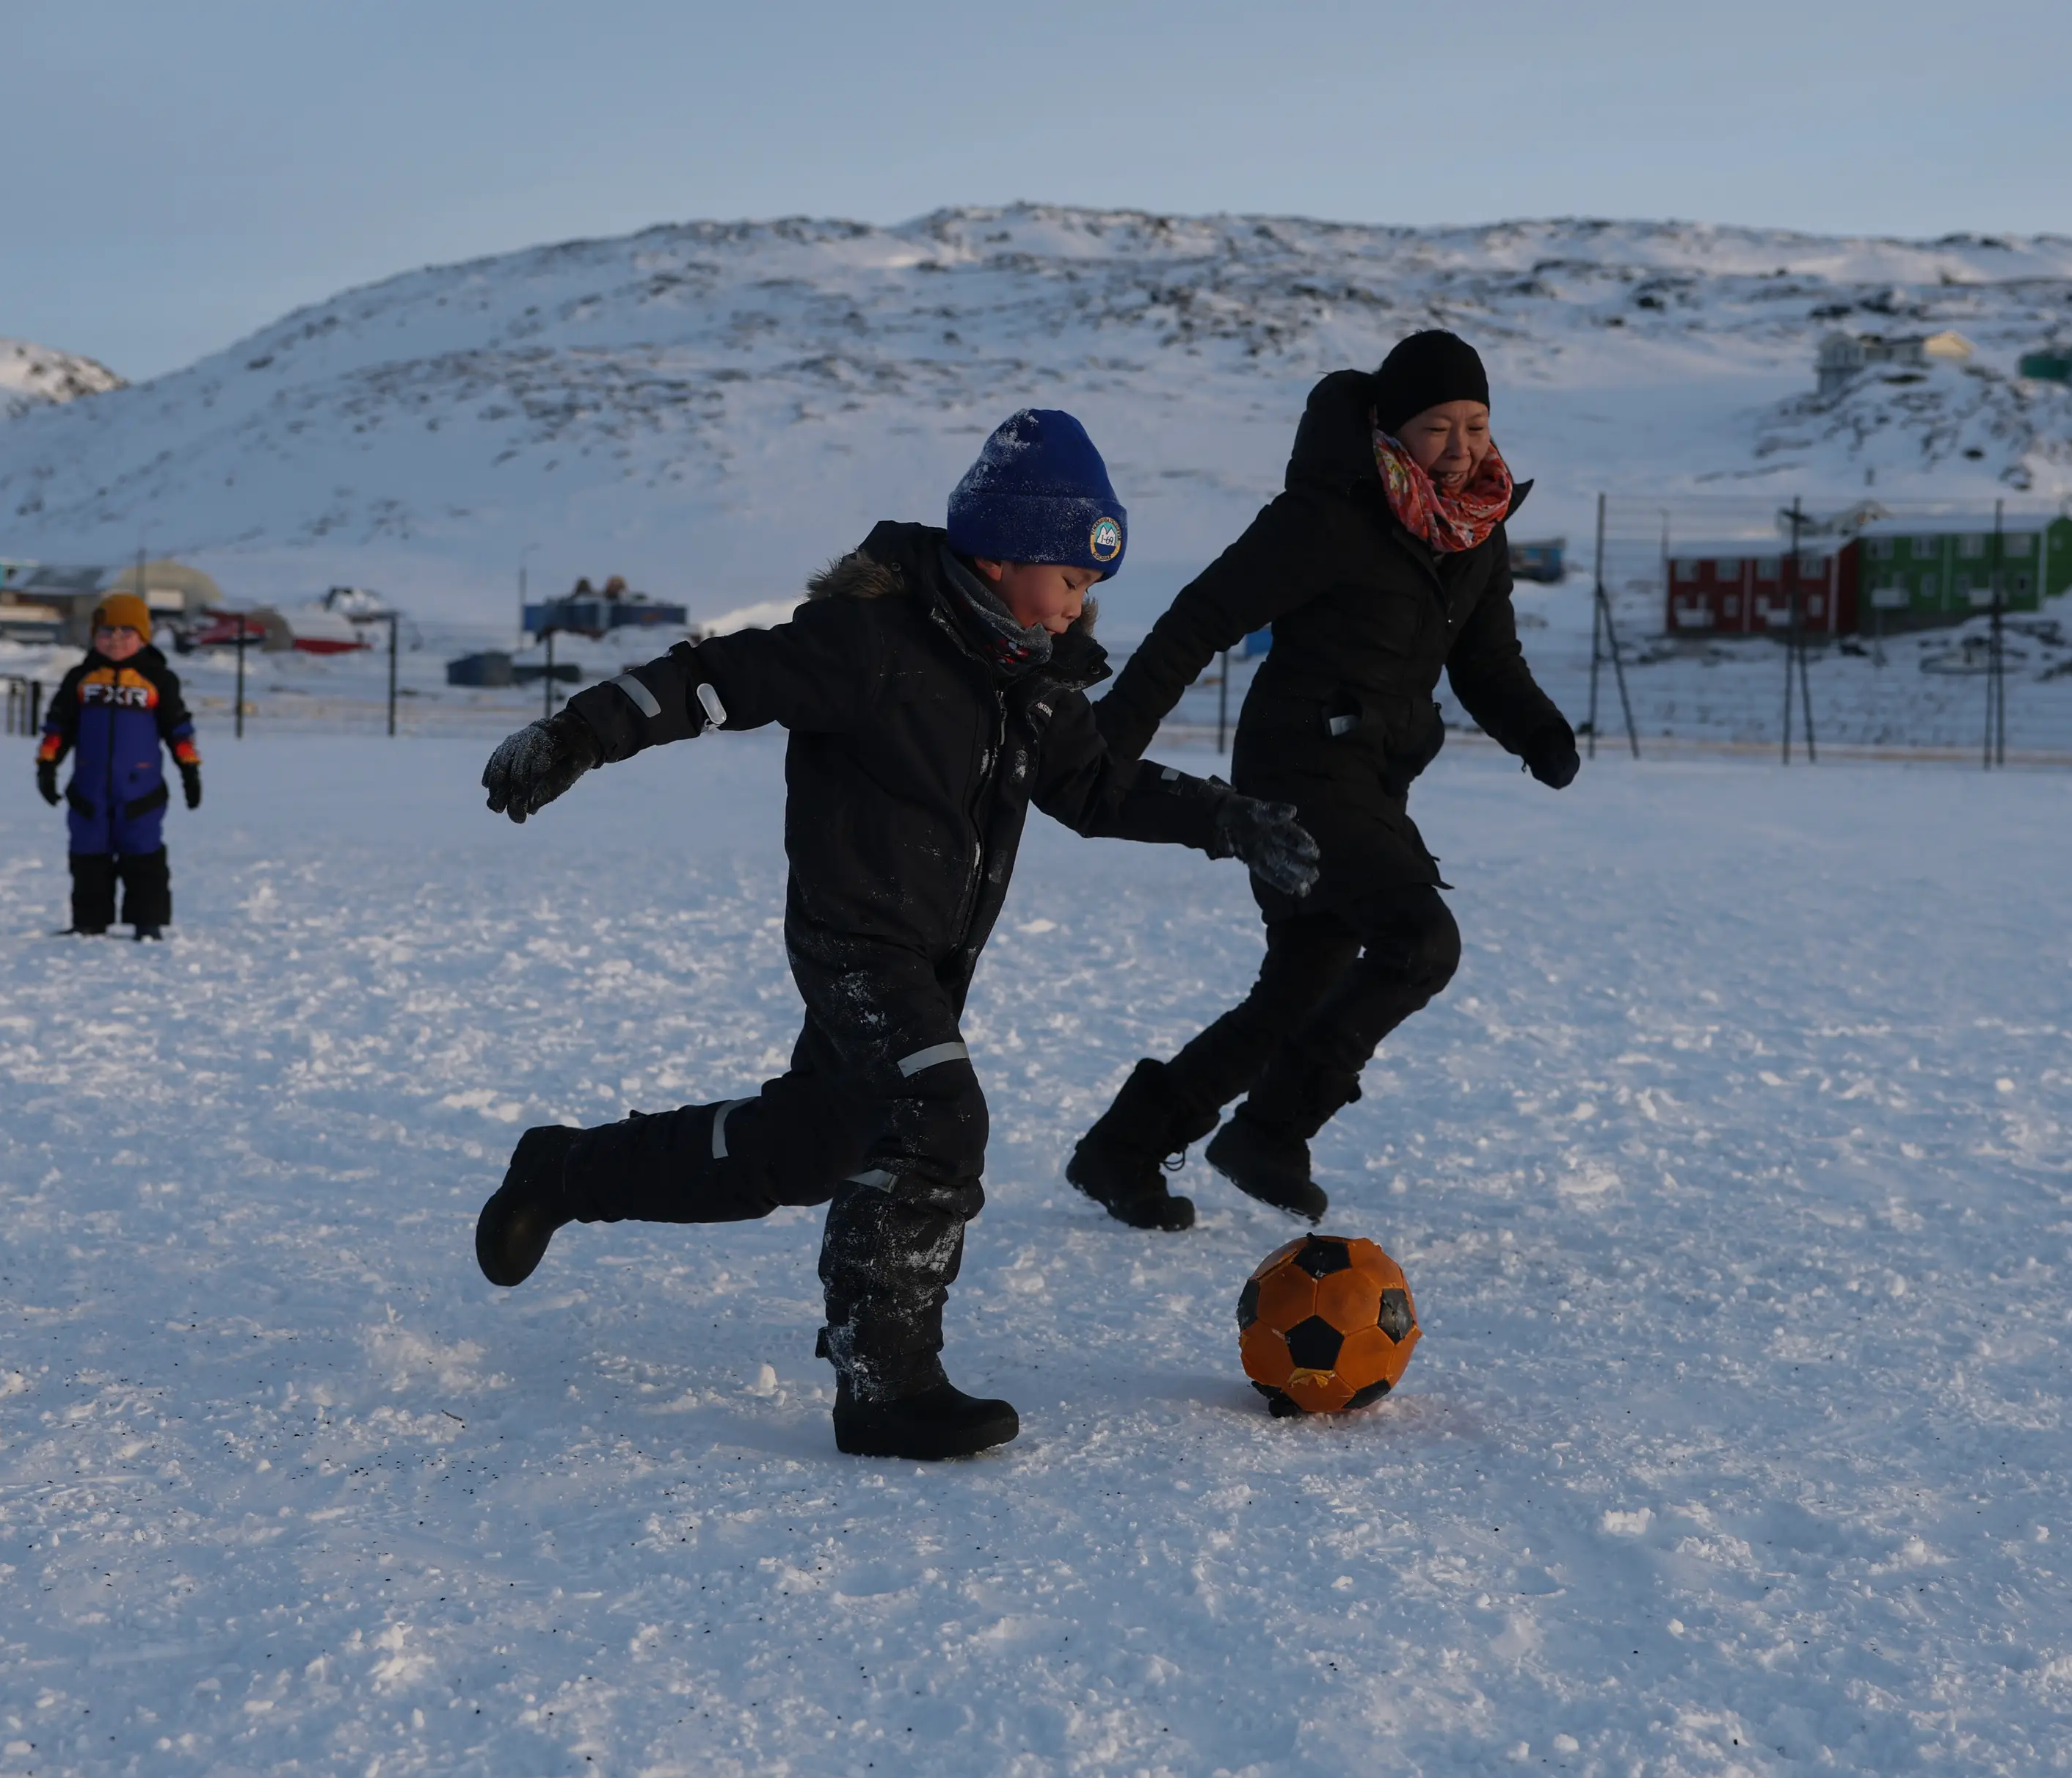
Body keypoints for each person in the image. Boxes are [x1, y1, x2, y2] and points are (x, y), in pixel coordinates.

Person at [469, 410, 1319, 1462]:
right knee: (936, 1110)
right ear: (1001, 556)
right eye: (1070, 578)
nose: (1080, 604)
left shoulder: (1034, 680)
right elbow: (713, 678)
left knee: (806, 1147)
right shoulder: (869, 643)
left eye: (1090, 587)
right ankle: (885, 1381)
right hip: (854, 940)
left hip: (929, 959)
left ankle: (562, 1173)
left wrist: (1227, 819)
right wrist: (577, 732)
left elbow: (1099, 787)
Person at [1067, 330, 1577, 1230]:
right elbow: (1202, 615)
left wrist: (1537, 731)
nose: (1460, 449)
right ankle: (1271, 1129)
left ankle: (1127, 1144)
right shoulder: (1329, 514)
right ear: (1389, 427)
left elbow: (1487, 660)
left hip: (1377, 779)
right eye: (1436, 429)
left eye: (1476, 425)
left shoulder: (1477, 533)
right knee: (1420, 939)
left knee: (1300, 986)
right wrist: (1113, 739)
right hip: (1298, 771)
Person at [35, 590, 202, 938]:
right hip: (88, 788)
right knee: (87, 853)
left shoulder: (159, 679)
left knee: (143, 852)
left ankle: (148, 922)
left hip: (140, 790)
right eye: (107, 632)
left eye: (127, 632)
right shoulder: (80, 678)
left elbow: (179, 729)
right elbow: (58, 727)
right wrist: (47, 766)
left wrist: (190, 771)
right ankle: (89, 922)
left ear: (143, 637)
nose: (116, 640)